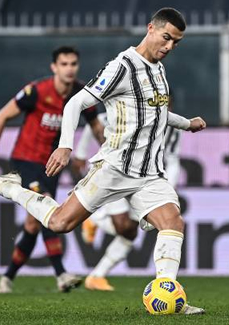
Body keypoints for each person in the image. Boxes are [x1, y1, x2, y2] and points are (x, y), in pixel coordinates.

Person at [0, 8, 206, 314]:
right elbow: (75, 103)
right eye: (166, 38)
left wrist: (186, 123)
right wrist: (66, 146)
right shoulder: (122, 66)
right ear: (151, 28)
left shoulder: (159, 70)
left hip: (149, 174)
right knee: (59, 223)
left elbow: (156, 111)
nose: (169, 47)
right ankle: (8, 186)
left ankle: (169, 295)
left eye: (176, 42)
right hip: (114, 168)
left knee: (173, 222)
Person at [0, 46, 104, 293]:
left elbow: (97, 127)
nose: (69, 69)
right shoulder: (37, 92)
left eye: (73, 64)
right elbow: (1, 116)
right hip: (25, 161)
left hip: (51, 166)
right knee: (47, 206)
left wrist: (110, 152)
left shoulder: (81, 95)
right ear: (54, 67)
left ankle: (7, 278)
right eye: (64, 64)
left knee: (34, 223)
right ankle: (61, 274)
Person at [72, 108, 182, 291]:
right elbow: (96, 122)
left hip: (145, 179)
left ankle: (96, 276)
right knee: (123, 225)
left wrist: (169, 186)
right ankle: (95, 219)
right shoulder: (125, 112)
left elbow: (172, 158)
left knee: (131, 231)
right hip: (114, 174)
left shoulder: (171, 126)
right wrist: (81, 154)